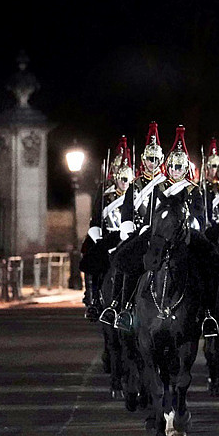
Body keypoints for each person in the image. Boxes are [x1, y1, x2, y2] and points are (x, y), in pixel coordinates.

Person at [80, 135, 133, 321]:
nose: (124, 181)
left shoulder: (137, 193)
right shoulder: (105, 192)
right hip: (108, 235)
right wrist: (100, 239)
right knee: (92, 255)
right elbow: (96, 219)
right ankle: (94, 300)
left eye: (127, 177)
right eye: (120, 174)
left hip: (129, 236)